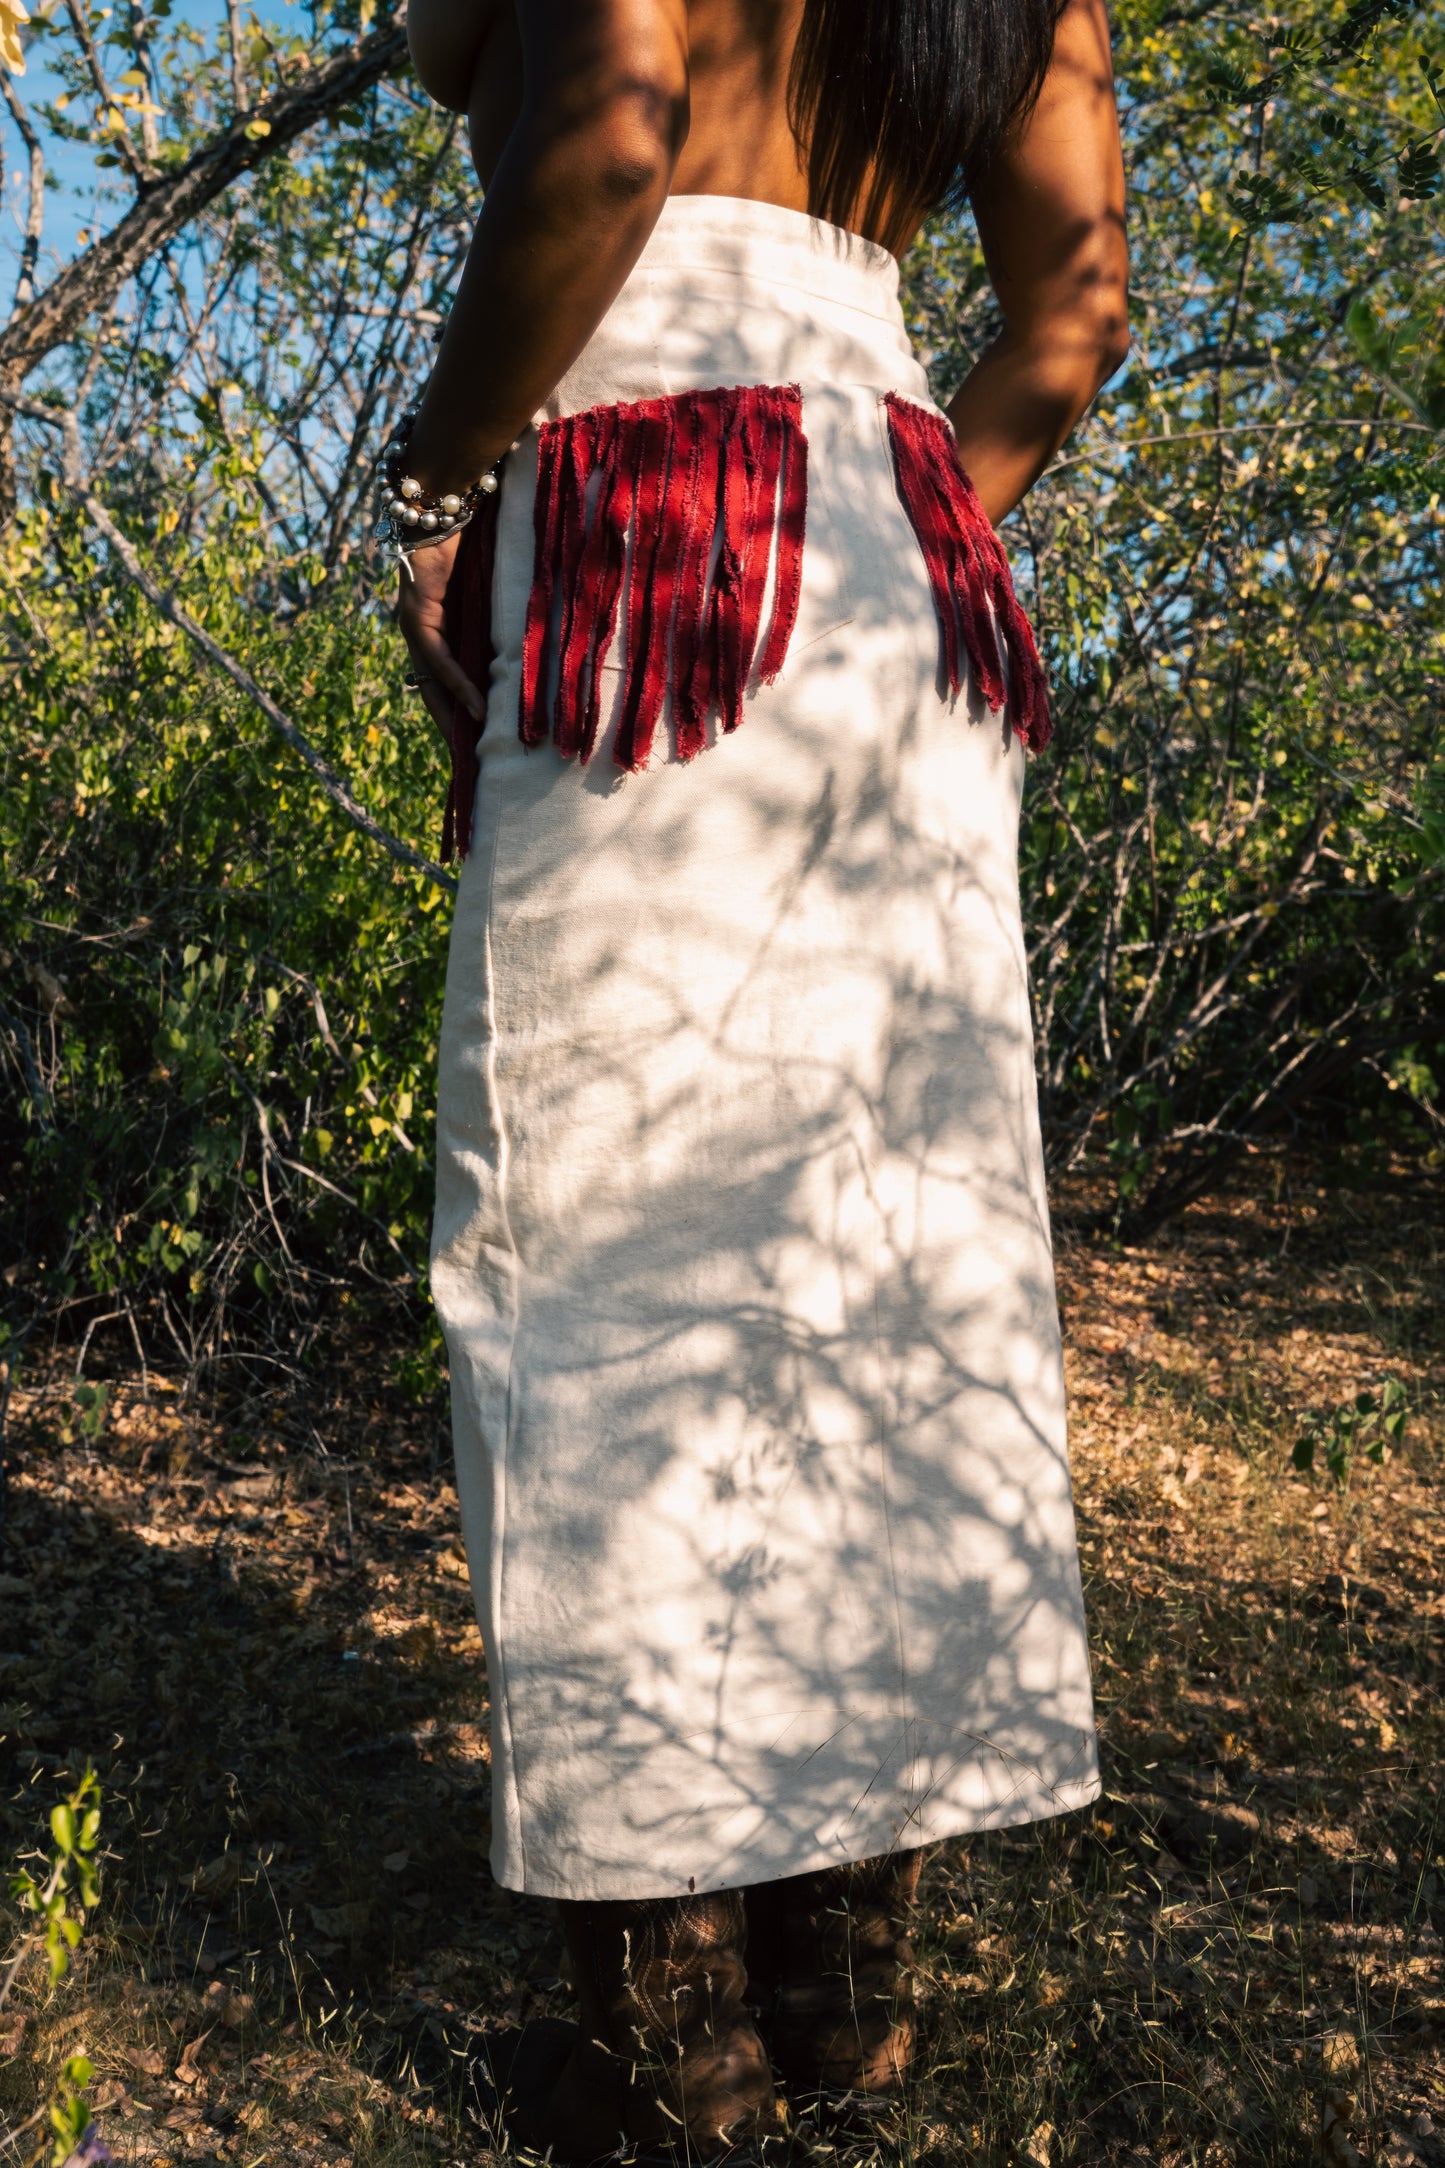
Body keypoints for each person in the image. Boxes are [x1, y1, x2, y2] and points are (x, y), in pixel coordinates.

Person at [396, 0, 1126, 2155]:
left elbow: (613, 136)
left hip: (647, 481)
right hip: (899, 523)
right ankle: (841, 1986)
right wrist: (877, 510)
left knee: (608, 1219)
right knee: (879, 1232)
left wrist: (445, 483)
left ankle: (670, 2041)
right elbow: (1074, 308)